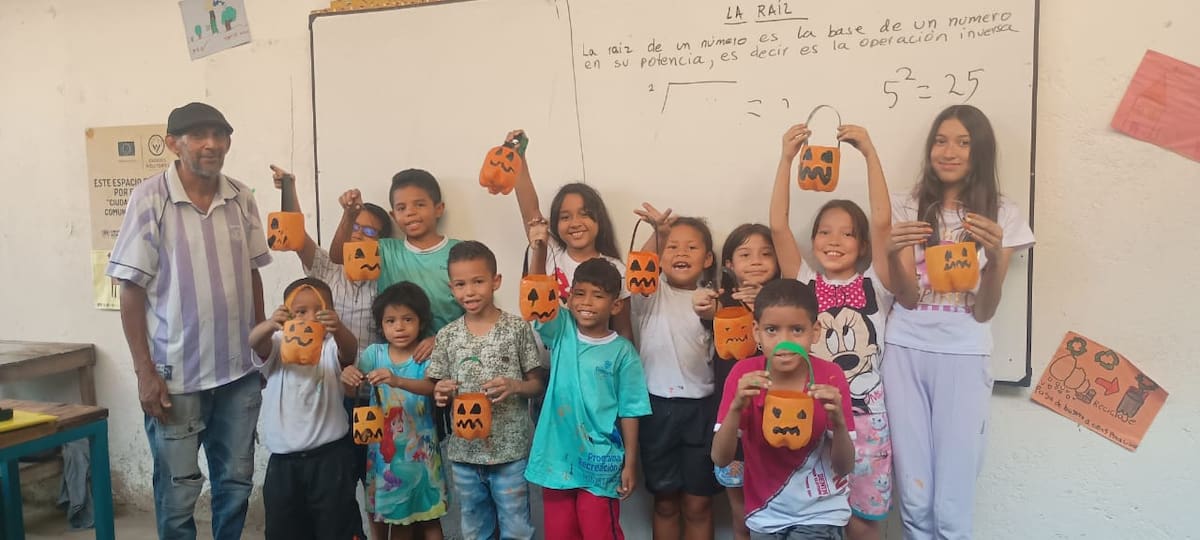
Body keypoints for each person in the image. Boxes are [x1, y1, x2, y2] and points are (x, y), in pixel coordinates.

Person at [108, 102, 269, 540]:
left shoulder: (242, 197)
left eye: (220, 135)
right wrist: (144, 372)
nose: (211, 144)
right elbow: (131, 290)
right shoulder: (150, 199)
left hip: (237, 376)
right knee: (178, 493)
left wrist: (260, 348)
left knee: (235, 484)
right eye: (198, 135)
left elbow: (252, 271)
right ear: (172, 143)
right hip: (173, 380)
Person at [882, 104, 1035, 540]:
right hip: (905, 349)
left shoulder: (1003, 213)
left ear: (979, 151)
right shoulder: (907, 205)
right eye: (941, 140)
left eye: (963, 142)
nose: (949, 151)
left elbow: (985, 310)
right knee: (913, 496)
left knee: (951, 501)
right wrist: (895, 250)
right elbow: (908, 298)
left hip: (964, 353)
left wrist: (998, 258)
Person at [770, 124, 898, 540]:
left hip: (865, 422)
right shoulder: (804, 284)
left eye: (847, 233)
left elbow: (882, 222)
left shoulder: (876, 284)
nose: (834, 240)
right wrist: (788, 160)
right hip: (808, 419)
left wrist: (869, 152)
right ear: (813, 241)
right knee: (816, 518)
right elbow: (777, 228)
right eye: (824, 231)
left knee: (863, 519)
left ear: (862, 246)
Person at [525, 222, 651, 538]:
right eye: (579, 294)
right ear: (568, 297)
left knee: (599, 532)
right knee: (560, 533)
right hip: (557, 456)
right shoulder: (562, 330)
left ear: (616, 304)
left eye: (597, 296)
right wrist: (539, 249)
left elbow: (631, 410)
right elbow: (538, 292)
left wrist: (630, 463)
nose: (586, 302)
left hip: (601, 460)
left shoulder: (623, 353)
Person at [712, 279, 856, 540]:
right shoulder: (744, 375)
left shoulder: (830, 376)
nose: (784, 341)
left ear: (815, 332)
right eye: (772, 330)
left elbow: (844, 467)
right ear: (756, 332)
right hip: (764, 513)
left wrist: (839, 422)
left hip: (820, 513)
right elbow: (721, 459)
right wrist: (735, 409)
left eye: (797, 330)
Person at [427, 241, 544, 540]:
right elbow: (436, 388)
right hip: (465, 454)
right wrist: (440, 392)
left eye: (478, 282)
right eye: (461, 284)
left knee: (516, 528)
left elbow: (536, 383)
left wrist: (516, 385)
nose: (470, 291)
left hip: (510, 452)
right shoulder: (448, 335)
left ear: (495, 281)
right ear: (451, 288)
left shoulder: (515, 329)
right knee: (476, 529)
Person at [627, 208, 722, 540]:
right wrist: (657, 232)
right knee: (665, 503)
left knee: (698, 505)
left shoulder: (714, 301)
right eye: (672, 246)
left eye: (692, 247)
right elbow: (640, 265)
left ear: (708, 258)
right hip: (656, 409)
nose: (681, 252)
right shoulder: (650, 294)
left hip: (701, 411)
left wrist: (715, 315)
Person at [249, 278, 363, 540]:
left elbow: (350, 349)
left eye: (320, 311)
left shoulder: (331, 347)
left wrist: (339, 329)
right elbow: (255, 342)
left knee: (338, 527)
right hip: (283, 465)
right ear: (287, 315)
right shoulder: (277, 345)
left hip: (330, 459)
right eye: (300, 311)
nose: (310, 318)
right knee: (284, 529)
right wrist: (269, 324)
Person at [692, 223, 781, 540]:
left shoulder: (785, 305)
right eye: (745, 254)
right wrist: (704, 304)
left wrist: (766, 306)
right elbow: (704, 308)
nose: (756, 260)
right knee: (741, 511)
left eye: (765, 253)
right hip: (734, 423)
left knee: (779, 506)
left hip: (779, 420)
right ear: (728, 264)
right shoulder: (722, 302)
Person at [342, 282, 447, 539]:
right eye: (390, 321)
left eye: (407, 319)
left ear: (421, 322)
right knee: (398, 520)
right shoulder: (373, 354)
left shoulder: (425, 356)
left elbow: (431, 388)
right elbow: (354, 394)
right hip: (384, 455)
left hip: (421, 453)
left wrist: (397, 380)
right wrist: (349, 380)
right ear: (381, 325)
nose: (399, 327)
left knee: (430, 519)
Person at [506, 129, 633, 340]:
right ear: (555, 224)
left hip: (588, 366)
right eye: (565, 217)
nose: (575, 223)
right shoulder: (548, 250)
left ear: (599, 220)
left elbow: (624, 330)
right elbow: (530, 209)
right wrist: (518, 157)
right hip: (543, 364)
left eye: (584, 215)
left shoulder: (615, 268)